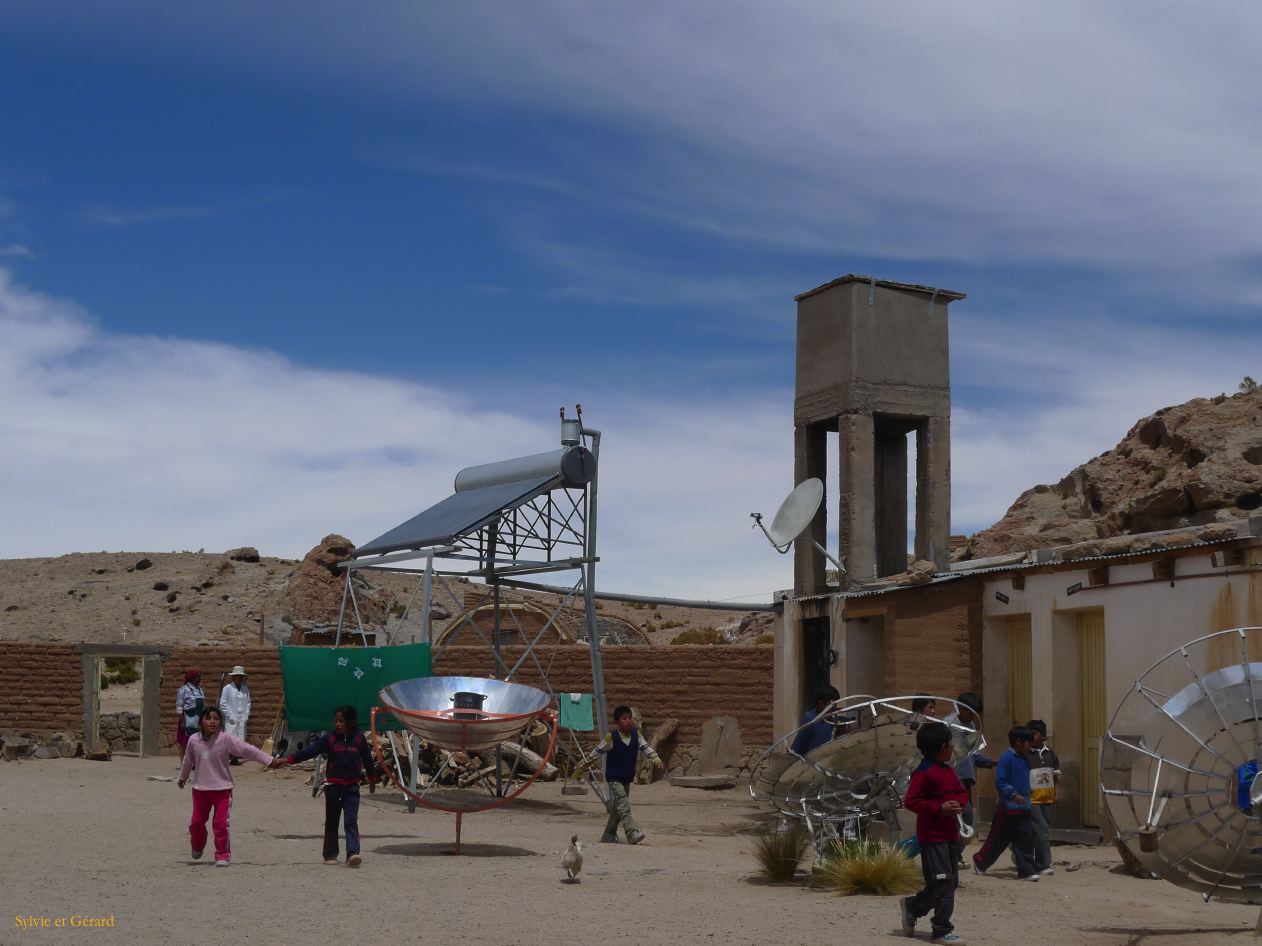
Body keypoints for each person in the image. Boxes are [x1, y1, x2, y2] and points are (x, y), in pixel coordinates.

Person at [274, 704, 378, 867]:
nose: (337, 724)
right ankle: (330, 854)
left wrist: (372, 780)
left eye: (341, 721)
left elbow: (368, 760)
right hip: (333, 788)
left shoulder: (359, 739)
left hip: (352, 788)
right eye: (335, 721)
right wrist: (288, 760)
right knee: (332, 821)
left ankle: (353, 853)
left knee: (351, 821)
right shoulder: (329, 739)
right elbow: (310, 751)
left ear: (350, 722)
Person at [177, 706, 276, 867]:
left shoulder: (225, 739)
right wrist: (183, 776)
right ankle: (197, 845)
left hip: (222, 789)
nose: (212, 722)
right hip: (200, 790)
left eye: (216, 719)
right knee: (196, 822)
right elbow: (188, 760)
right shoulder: (194, 740)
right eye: (208, 718)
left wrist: (269, 760)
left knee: (221, 824)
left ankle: (222, 854)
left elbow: (247, 750)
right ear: (201, 722)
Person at [900, 721, 970, 945]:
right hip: (932, 838)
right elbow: (911, 801)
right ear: (943, 747)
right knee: (942, 884)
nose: (952, 748)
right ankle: (941, 929)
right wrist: (939, 809)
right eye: (950, 744)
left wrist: (958, 803)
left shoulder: (948, 770)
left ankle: (912, 906)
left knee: (946, 884)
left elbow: (961, 792)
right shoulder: (923, 773)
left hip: (950, 836)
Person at [971, 726, 1039, 881]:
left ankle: (1026, 871)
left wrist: (1031, 791)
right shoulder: (1006, 759)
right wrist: (1013, 794)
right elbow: (1000, 782)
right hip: (1007, 810)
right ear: (1019, 742)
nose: (1031, 746)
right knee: (997, 840)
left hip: (1024, 808)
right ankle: (980, 861)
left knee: (1026, 839)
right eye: (1028, 743)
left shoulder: (1026, 758)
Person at [595, 705, 663, 844]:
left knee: (618, 806)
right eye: (624, 718)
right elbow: (597, 751)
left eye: (629, 718)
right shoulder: (611, 737)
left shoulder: (636, 735)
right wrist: (583, 765)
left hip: (626, 777)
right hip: (614, 777)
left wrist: (656, 759)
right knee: (624, 804)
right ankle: (632, 833)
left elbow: (646, 748)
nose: (628, 721)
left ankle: (608, 834)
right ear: (617, 722)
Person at [941, 692, 994, 867]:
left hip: (965, 778)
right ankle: (950, 856)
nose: (972, 716)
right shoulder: (949, 725)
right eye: (971, 712)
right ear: (962, 708)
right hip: (952, 778)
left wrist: (991, 762)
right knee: (964, 816)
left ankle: (954, 855)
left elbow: (972, 755)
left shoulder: (970, 724)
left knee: (963, 819)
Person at [1025, 719, 1060, 876]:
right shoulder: (1025, 754)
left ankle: (1022, 853)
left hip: (1047, 798)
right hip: (1032, 799)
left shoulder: (1051, 754)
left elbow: (1055, 777)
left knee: (1038, 831)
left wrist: (1056, 794)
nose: (1031, 736)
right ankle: (1043, 864)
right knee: (1042, 831)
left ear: (1043, 736)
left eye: (1035, 733)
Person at [790, 685, 841, 755]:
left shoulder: (832, 720)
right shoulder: (810, 720)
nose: (835, 708)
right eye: (832, 705)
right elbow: (797, 748)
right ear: (821, 703)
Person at [219, 666, 251, 765]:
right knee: (230, 737)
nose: (240, 678)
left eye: (241, 676)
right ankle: (228, 757)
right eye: (237, 676)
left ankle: (234, 758)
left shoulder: (245, 689)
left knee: (239, 738)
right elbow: (223, 703)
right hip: (231, 718)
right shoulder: (227, 688)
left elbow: (248, 703)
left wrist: (246, 714)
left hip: (242, 718)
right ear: (233, 677)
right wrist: (230, 715)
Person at [175, 668, 205, 760]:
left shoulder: (200, 689)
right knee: (185, 742)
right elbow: (179, 706)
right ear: (192, 678)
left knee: (197, 741)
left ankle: (195, 762)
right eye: (197, 677)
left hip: (198, 718)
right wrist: (182, 722)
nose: (199, 679)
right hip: (187, 718)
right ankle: (184, 763)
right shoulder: (184, 689)